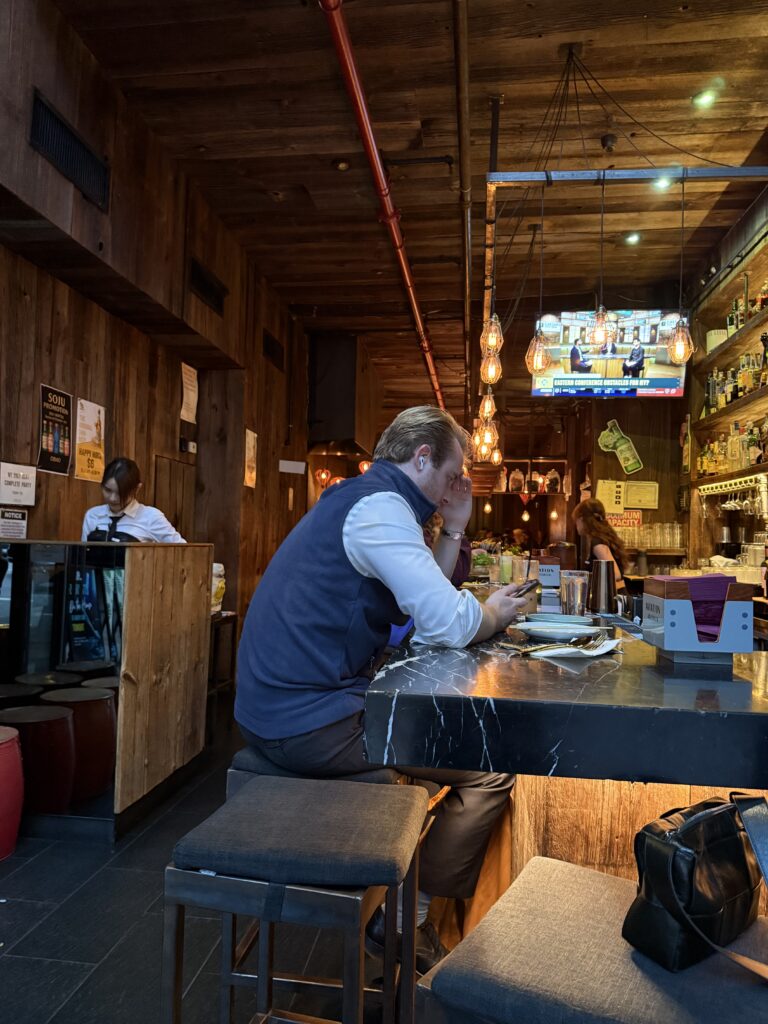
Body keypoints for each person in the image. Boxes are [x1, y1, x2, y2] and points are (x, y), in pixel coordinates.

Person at [235, 406, 528, 972]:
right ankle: (401, 923)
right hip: (304, 723)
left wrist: (455, 525)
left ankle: (402, 902)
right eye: (451, 475)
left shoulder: (366, 500)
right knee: (490, 769)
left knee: (445, 743)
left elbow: (424, 603)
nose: (455, 487)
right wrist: (492, 613)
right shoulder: (380, 510)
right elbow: (448, 622)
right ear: (422, 457)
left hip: (281, 707)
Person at [81, 457, 186, 543]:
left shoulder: (152, 517)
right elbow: (83, 555)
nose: (113, 498)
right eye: (108, 490)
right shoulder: (92, 515)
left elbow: (182, 550)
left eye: (121, 493)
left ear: (137, 489)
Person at [572, 497, 626, 590]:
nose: (576, 524)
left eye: (576, 520)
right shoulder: (603, 538)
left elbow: (615, 574)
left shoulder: (598, 543)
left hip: (612, 596)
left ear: (582, 519)